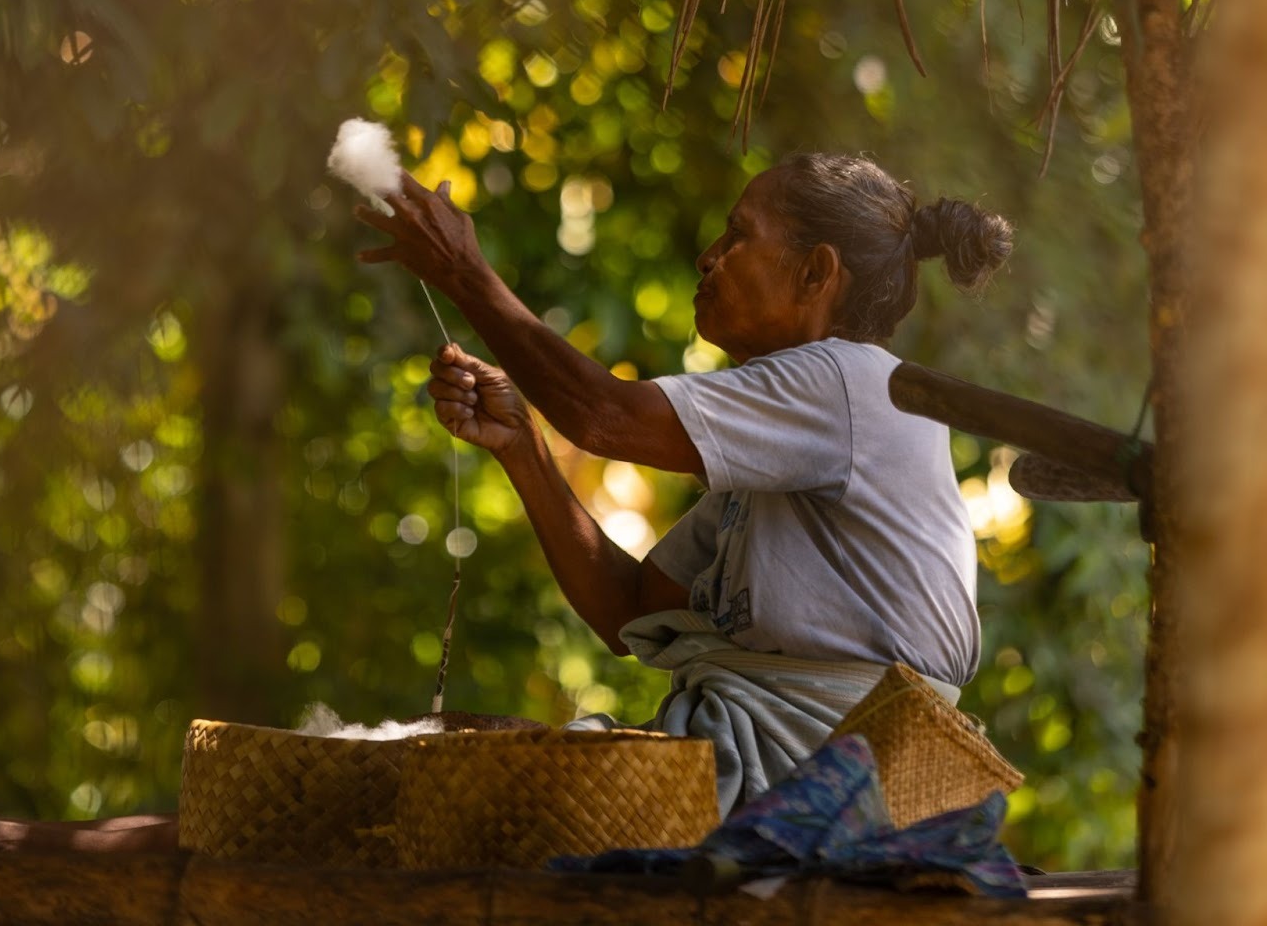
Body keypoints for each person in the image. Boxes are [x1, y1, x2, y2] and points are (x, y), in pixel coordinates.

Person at [355, 151, 1013, 814]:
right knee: (446, 756)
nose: (708, 256)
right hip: (782, 764)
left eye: (737, 236)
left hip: (826, 783)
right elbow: (631, 609)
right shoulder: (779, 447)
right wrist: (523, 448)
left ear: (815, 273)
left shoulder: (849, 383)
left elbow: (605, 415)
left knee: (446, 770)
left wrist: (464, 273)